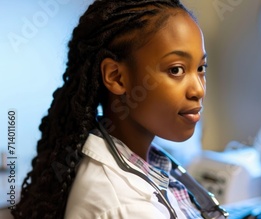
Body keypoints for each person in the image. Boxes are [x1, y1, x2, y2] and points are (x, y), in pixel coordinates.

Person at [12, 0, 215, 218]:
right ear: (116, 77)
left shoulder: (141, 159)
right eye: (176, 70)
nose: (198, 90)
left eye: (200, 68)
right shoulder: (128, 208)